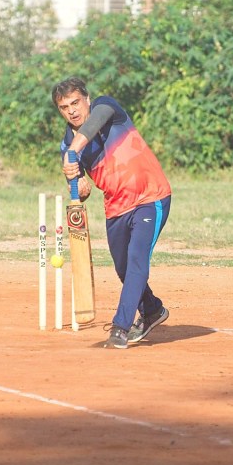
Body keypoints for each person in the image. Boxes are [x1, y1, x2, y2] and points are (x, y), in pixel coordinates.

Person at [52, 77, 171, 349]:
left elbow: (93, 124)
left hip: (150, 196)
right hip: (116, 206)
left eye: (75, 103)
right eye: (64, 107)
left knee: (137, 259)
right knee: (124, 268)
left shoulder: (106, 107)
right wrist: (78, 185)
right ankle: (153, 310)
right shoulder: (67, 146)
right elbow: (79, 190)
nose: (71, 111)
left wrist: (74, 151)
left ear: (87, 99)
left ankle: (120, 327)